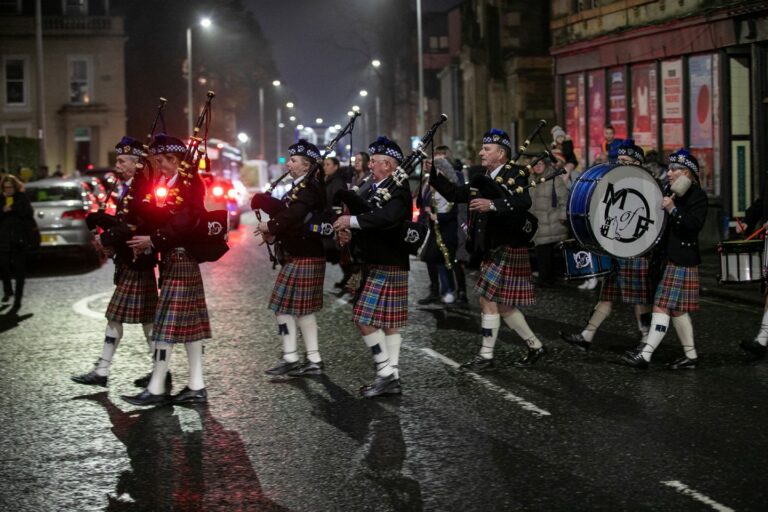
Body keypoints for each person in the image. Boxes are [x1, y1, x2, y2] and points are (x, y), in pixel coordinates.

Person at [430, 128, 547, 371]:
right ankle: (535, 346)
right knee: (503, 305)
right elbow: (455, 193)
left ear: (501, 153)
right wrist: (433, 174)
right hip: (492, 246)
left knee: (487, 299)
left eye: (487, 149)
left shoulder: (516, 173)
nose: (481, 152)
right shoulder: (482, 176)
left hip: (508, 244)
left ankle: (486, 356)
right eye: (483, 148)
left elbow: (523, 202)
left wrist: (492, 204)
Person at [122, 134, 212, 405]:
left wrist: (154, 240)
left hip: (182, 259)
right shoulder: (171, 184)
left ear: (175, 160)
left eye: (162, 161)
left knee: (163, 327)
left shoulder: (190, 183)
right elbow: (162, 218)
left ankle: (158, 387)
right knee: (191, 326)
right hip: (174, 259)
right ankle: (196, 386)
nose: (158, 166)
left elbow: (186, 220)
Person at [71, 136, 159, 387]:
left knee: (118, 317)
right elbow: (126, 224)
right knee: (147, 319)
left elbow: (136, 225)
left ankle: (103, 371)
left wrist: (106, 237)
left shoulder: (141, 189)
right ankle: (159, 371)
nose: (117, 166)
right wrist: (102, 219)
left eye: (122, 161)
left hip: (136, 262)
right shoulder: (131, 188)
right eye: (117, 161)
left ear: (135, 163)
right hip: (131, 262)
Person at [333, 136, 411, 397]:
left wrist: (352, 221)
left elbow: (386, 219)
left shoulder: (399, 189)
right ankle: (394, 374)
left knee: (363, 319)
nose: (370, 166)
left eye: (375, 161)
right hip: (376, 260)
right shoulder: (372, 187)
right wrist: (349, 230)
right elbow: (368, 218)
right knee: (389, 322)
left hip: (390, 260)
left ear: (389, 165)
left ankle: (385, 372)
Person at [560, 140, 654, 351]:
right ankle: (587, 335)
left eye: (626, 161)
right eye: (619, 160)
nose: (620, 164)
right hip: (614, 248)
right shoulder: (613, 184)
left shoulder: (649, 186)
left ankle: (647, 337)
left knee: (639, 298)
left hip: (636, 250)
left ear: (638, 163)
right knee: (607, 296)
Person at [621, 148, 707, 369]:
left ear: (687, 173)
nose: (669, 173)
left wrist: (673, 210)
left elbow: (692, 227)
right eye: (669, 169)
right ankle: (691, 356)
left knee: (660, 305)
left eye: (674, 169)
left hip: (682, 258)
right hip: (667, 257)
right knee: (677, 310)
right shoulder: (671, 190)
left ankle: (646, 354)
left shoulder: (698, 196)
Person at [256, 139, 327, 377]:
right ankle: (305, 358)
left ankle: (299, 358)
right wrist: (265, 203)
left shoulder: (310, 188)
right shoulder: (299, 187)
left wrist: (271, 226)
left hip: (306, 255)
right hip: (298, 255)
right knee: (292, 309)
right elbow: (287, 210)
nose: (289, 163)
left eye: (294, 160)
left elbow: (295, 215)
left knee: (287, 308)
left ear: (306, 166)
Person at [528, 158, 568, 287]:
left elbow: (564, 199)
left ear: (545, 164)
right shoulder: (531, 180)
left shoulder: (554, 179)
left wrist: (563, 216)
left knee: (545, 251)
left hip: (553, 220)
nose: (537, 167)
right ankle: (547, 278)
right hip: (539, 222)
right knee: (543, 251)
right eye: (535, 165)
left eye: (540, 164)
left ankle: (545, 278)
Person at [0, 175, 34, 312]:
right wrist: (2, 211)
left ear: (15, 187)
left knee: (20, 271)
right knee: (3, 266)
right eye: (5, 187)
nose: (8, 190)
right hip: (3, 239)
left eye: (10, 187)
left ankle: (18, 299)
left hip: (19, 239)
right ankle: (8, 290)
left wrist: (13, 208)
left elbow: (29, 213)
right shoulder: (0, 199)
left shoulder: (22, 197)